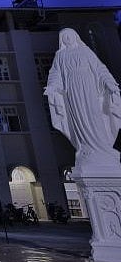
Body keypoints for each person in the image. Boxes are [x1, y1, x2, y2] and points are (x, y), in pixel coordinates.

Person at [45, 28, 121, 164]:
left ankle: (102, 146)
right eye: (65, 37)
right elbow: (55, 74)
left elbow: (100, 69)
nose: (68, 38)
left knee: (93, 114)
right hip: (72, 89)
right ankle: (86, 146)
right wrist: (52, 87)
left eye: (70, 35)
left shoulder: (85, 51)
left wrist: (109, 83)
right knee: (79, 116)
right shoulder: (60, 55)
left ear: (75, 36)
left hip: (88, 86)